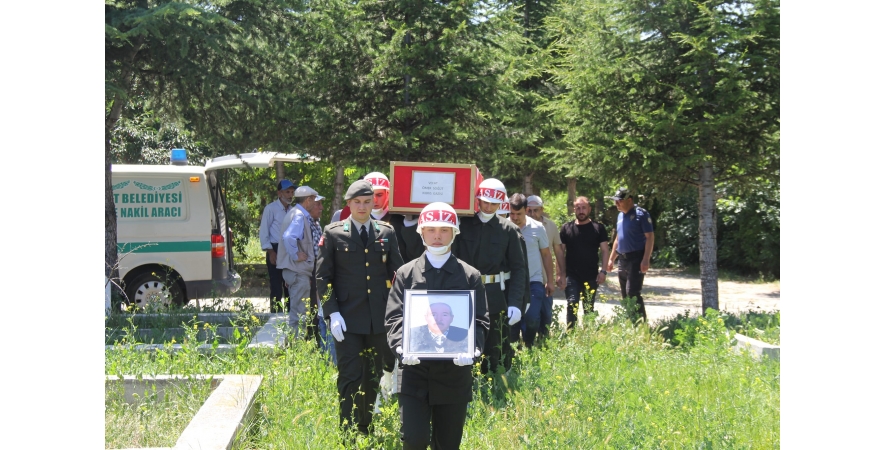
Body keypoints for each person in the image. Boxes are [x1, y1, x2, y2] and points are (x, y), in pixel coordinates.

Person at [385, 202, 490, 450]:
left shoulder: (470, 275)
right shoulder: (406, 273)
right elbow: (393, 318)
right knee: (414, 440)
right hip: (414, 373)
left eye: (444, 229)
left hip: (453, 375)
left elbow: (480, 320)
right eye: (431, 229)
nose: (437, 236)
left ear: (454, 233)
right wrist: (401, 348)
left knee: (448, 445)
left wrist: (473, 349)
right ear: (421, 232)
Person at [317, 180, 405, 435]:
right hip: (347, 319)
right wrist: (332, 312)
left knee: (373, 376)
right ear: (349, 204)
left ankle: (364, 427)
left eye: (368, 201)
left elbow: (398, 273)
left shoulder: (386, 232)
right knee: (349, 376)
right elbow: (323, 277)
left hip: (378, 320)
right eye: (358, 202)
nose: (363, 206)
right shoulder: (334, 233)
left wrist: (401, 308)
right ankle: (347, 430)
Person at [453, 178, 526, 374]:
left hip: (495, 296)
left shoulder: (509, 230)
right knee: (466, 344)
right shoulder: (463, 225)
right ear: (478, 199)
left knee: (497, 348)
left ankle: (498, 390)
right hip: (466, 293)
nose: (488, 206)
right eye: (485, 201)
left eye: (494, 203)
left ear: (502, 203)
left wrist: (515, 303)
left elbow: (519, 269)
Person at [507, 194, 554, 348]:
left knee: (532, 318)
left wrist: (550, 281)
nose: (514, 217)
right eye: (511, 213)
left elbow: (546, 255)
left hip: (534, 280)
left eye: (518, 214)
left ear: (526, 210)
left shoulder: (538, 228)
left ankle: (528, 344)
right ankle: (514, 350)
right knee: (512, 320)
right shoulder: (504, 227)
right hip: (512, 281)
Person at [559, 196, 610, 330]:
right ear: (574, 209)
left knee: (588, 308)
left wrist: (603, 271)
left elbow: (605, 250)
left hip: (591, 275)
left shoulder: (598, 228)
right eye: (578, 208)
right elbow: (560, 253)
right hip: (571, 275)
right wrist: (560, 274)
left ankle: (588, 336)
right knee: (572, 304)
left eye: (584, 208)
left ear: (589, 209)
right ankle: (571, 336)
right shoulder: (566, 228)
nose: (581, 211)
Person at [278, 186, 323, 333]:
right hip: (297, 271)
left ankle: (296, 345)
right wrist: (296, 255)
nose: (316, 204)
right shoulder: (299, 215)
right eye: (314, 200)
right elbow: (289, 237)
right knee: (299, 313)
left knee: (299, 310)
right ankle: (296, 347)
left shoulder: (296, 213)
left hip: (295, 271)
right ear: (308, 200)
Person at [605, 188, 653, 322]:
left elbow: (650, 237)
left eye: (619, 201)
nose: (617, 204)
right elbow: (618, 238)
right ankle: (631, 321)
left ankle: (640, 324)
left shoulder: (641, 214)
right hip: (622, 259)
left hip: (636, 258)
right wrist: (611, 259)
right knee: (625, 294)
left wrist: (645, 259)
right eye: (615, 201)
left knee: (633, 293)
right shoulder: (620, 216)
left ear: (629, 200)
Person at [526, 195, 566, 335]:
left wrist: (561, 274)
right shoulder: (522, 226)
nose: (532, 214)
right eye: (529, 210)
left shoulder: (551, 226)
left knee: (546, 315)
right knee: (530, 316)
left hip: (546, 278)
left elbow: (558, 251)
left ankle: (544, 343)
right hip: (530, 279)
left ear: (542, 209)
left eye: (535, 210)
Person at [364, 171, 425, 263]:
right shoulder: (357, 222)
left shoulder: (402, 222)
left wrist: (410, 225)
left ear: (388, 194)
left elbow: (416, 256)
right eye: (371, 195)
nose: (375, 199)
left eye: (379, 195)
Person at [307, 192, 337, 363]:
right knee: (320, 318)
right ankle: (325, 359)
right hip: (313, 272)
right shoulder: (304, 220)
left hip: (318, 272)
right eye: (318, 204)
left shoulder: (317, 224)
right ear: (309, 203)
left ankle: (326, 359)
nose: (321, 208)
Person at [258, 180, 295, 312]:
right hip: (275, 248)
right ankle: (275, 317)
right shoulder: (271, 209)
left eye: (292, 192)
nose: (290, 195)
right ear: (279, 193)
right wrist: (270, 251)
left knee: (290, 284)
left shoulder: (292, 210)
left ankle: (291, 316)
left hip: (289, 250)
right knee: (276, 285)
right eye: (287, 192)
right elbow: (263, 232)